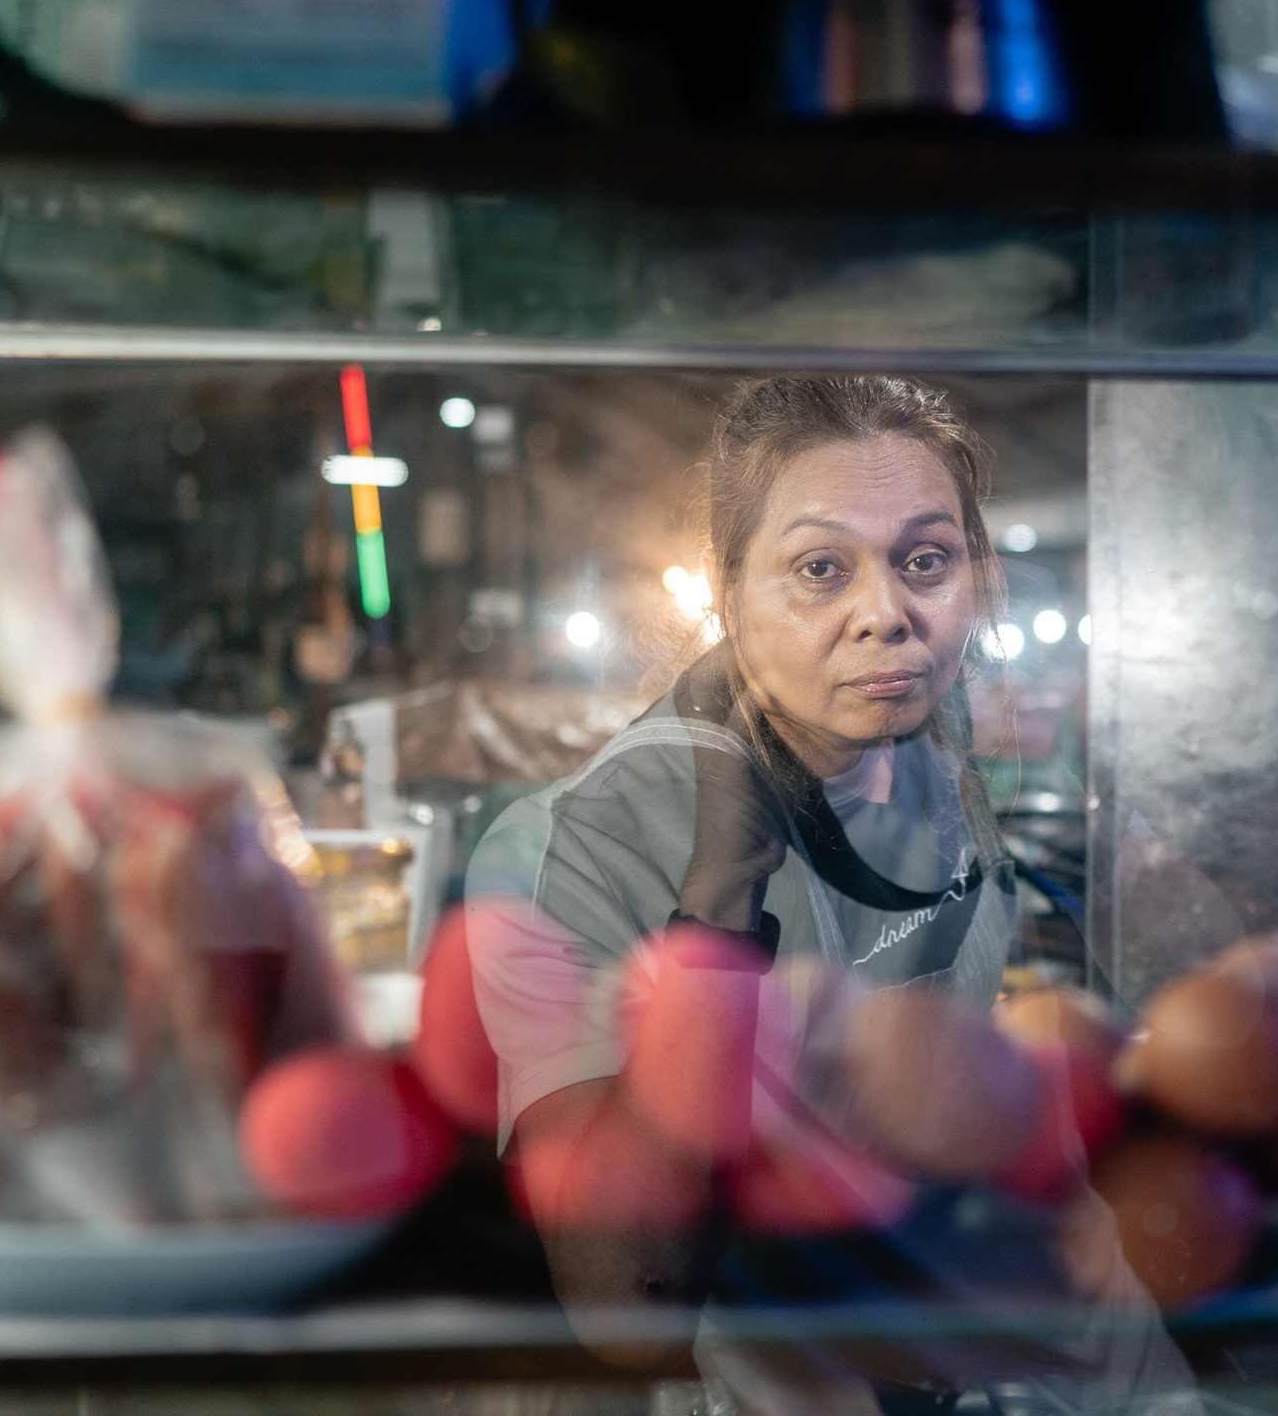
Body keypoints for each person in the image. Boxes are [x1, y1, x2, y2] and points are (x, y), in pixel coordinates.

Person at [467, 375, 1188, 1416]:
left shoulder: (943, 801)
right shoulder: (568, 847)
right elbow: (630, 1299)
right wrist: (719, 900)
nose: (885, 615)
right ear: (728, 593)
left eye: (926, 561)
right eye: (819, 569)